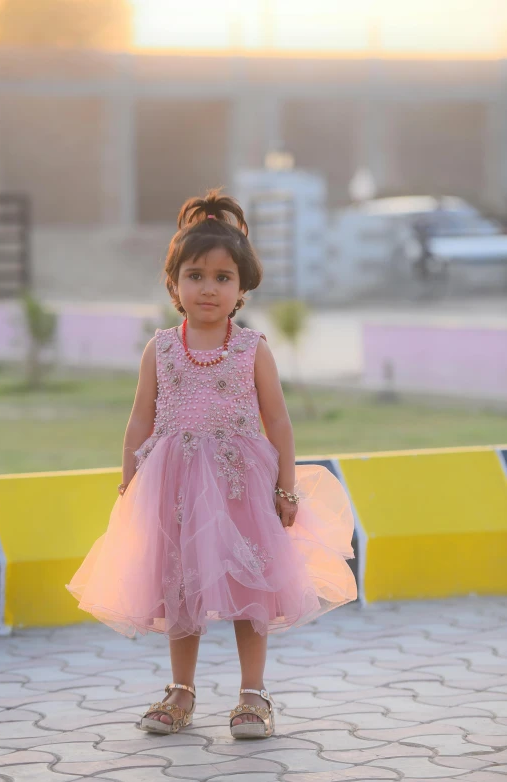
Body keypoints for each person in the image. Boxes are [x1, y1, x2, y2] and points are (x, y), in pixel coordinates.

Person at [66, 189, 357, 740]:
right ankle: (182, 691)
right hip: (173, 489)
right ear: (173, 282)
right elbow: (139, 419)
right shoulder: (160, 348)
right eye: (196, 275)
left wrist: (286, 489)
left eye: (224, 277)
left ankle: (253, 696)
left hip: (241, 487)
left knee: (253, 588)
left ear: (243, 287)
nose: (209, 288)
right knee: (181, 586)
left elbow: (280, 424)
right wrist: (130, 481)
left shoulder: (252, 349)